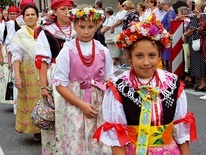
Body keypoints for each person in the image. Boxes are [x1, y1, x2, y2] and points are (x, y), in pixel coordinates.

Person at [93, 17, 198, 155]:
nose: (146, 62)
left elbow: (180, 129)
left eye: (152, 55)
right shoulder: (119, 86)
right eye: (139, 56)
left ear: (159, 56)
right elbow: (116, 136)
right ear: (130, 57)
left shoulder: (172, 83)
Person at [53, 6, 114, 154]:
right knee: (77, 142)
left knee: (99, 142)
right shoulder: (67, 51)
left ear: (97, 26)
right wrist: (81, 105)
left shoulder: (103, 51)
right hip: (75, 103)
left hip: (99, 104)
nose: (86, 31)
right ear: (74, 25)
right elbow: (60, 85)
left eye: (90, 27)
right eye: (81, 27)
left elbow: (110, 79)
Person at [34, 0, 76, 153]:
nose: (67, 12)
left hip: (78, 77)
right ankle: (57, 150)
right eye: (63, 9)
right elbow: (42, 61)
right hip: (56, 75)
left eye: (69, 9)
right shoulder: (46, 31)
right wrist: (43, 86)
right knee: (58, 113)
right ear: (55, 11)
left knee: (76, 113)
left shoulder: (79, 28)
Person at [10, 4, 41, 141]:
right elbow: (16, 57)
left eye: (32, 14)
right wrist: (17, 77)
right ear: (23, 18)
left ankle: (49, 126)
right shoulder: (20, 34)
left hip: (45, 70)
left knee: (47, 98)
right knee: (33, 101)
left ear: (37, 16)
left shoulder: (44, 31)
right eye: (27, 15)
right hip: (28, 72)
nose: (30, 17)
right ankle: (37, 130)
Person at [0, 6, 20, 104]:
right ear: (7, 15)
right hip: (6, 52)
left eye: (14, 14)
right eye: (11, 14)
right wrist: (0, 56)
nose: (13, 16)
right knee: (7, 76)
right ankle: (10, 98)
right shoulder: (3, 26)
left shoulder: (22, 25)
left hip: (19, 52)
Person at [161, 0, 176, 70]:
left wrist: (162, 29)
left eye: (163, 4)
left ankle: (170, 69)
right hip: (166, 34)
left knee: (168, 54)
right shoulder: (169, 12)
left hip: (167, 34)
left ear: (167, 5)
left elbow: (170, 24)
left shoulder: (170, 13)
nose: (162, 6)